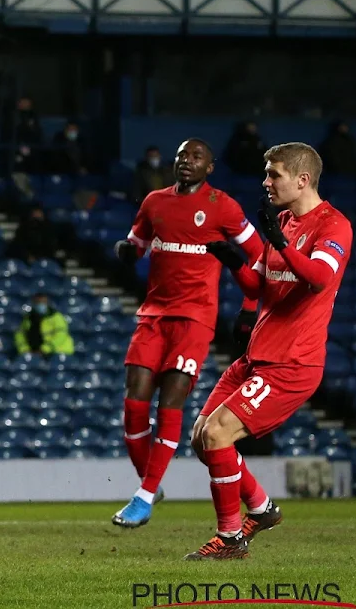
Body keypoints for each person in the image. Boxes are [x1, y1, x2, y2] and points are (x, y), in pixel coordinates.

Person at [190, 143, 350, 559]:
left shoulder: (334, 226)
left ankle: (230, 539)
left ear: (302, 180)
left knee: (218, 434)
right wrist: (232, 260)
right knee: (201, 439)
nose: (265, 182)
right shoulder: (282, 220)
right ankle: (261, 509)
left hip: (292, 363)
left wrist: (279, 242)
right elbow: (259, 285)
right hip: (258, 354)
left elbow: (317, 278)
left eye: (273, 174)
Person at [110, 139, 263, 529]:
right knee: (134, 404)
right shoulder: (154, 202)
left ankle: (144, 496)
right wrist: (126, 252)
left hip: (195, 318)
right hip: (153, 315)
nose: (186, 162)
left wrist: (248, 308)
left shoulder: (223, 207)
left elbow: (259, 256)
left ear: (210, 167)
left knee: (172, 400)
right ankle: (150, 482)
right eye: (181, 156)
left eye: (196, 157)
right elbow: (137, 245)